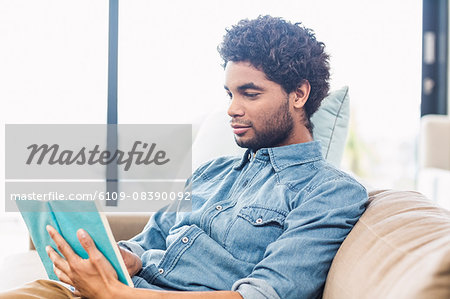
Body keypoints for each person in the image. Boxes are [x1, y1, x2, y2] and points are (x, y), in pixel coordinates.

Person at [1, 15, 367, 299]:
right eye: (229, 95)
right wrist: (127, 258)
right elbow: (150, 240)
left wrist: (117, 294)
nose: (232, 110)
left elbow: (261, 295)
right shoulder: (213, 173)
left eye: (250, 94)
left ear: (299, 94)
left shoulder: (329, 193)